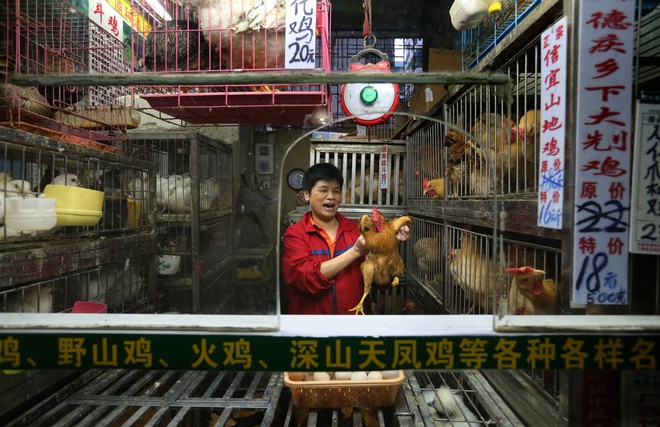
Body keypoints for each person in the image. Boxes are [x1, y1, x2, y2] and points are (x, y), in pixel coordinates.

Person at [282, 163, 411, 314]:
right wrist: (356, 251)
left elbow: (380, 282)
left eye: (336, 191)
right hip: (312, 323)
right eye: (323, 190)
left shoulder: (357, 231)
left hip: (354, 321)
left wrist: (388, 248)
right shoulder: (295, 234)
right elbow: (304, 279)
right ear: (307, 195)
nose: (331, 196)